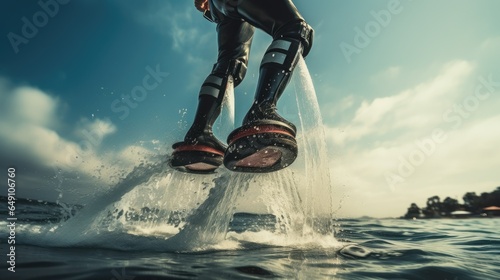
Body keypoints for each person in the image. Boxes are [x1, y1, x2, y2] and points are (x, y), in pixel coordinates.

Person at [170, 0, 313, 174]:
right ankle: (262, 110)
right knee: (295, 28)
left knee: (231, 66)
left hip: (219, 6)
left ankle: (199, 134)